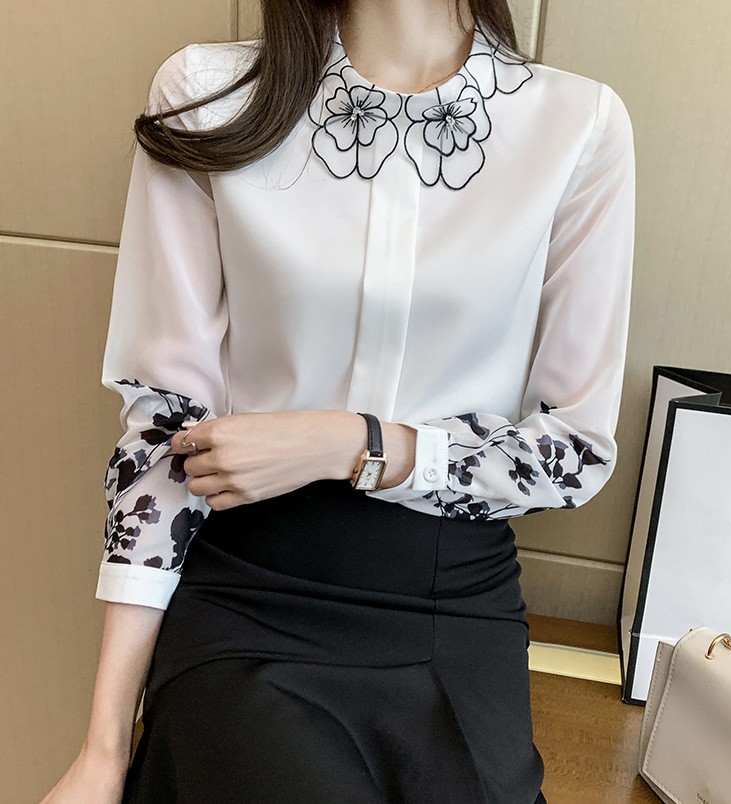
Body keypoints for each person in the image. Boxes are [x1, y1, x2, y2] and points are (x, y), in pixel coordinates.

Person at [41, 0, 635, 801]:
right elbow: (162, 439)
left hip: (452, 603)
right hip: (251, 592)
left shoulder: (579, 125)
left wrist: (351, 442)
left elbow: (572, 453)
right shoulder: (207, 96)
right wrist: (104, 748)